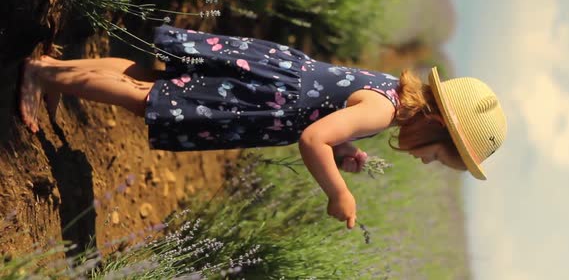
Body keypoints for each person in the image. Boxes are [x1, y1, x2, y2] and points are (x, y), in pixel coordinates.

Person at [19, 25, 507, 229]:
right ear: (435, 125)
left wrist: (345, 150)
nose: (424, 160)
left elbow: (332, 117)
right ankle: (41, 74)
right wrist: (337, 192)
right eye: (437, 155)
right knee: (148, 100)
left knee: (151, 79)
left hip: (266, 75)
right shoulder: (382, 113)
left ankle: (58, 71)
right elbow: (313, 137)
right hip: (259, 98)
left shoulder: (392, 95)